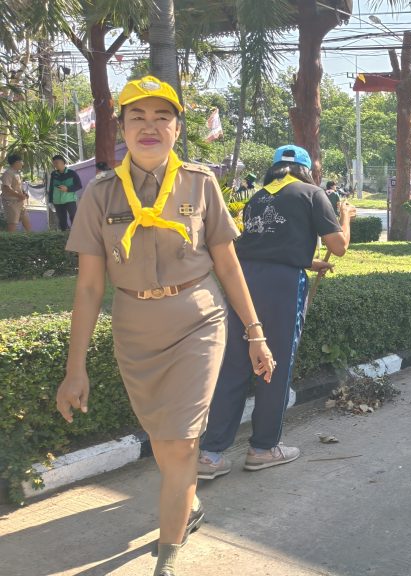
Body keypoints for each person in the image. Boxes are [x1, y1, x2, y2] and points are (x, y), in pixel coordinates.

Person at [56, 76, 275, 576]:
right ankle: (187, 504)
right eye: (138, 117)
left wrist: (255, 332)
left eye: (162, 117)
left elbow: (228, 265)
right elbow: (89, 288)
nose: (149, 126)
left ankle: (167, 557)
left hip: (198, 320)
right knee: (164, 439)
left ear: (177, 128)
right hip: (135, 330)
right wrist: (75, 368)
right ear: (123, 129)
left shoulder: (200, 182)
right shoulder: (100, 194)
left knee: (179, 442)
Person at [198, 145, 355, 480]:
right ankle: (263, 448)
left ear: (275, 168)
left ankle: (210, 455)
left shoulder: (258, 196)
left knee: (234, 364)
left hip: (243, 282)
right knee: (274, 365)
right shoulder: (312, 194)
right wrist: (345, 215)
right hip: (282, 287)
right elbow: (339, 246)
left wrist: (306, 260)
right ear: (306, 170)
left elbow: (265, 246)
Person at [48, 155, 83, 231]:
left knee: (74, 218)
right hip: (57, 201)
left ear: (63, 162)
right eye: (54, 163)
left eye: (56, 162)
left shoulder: (72, 173)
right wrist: (50, 201)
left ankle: (76, 234)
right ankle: (64, 235)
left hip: (70, 200)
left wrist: (67, 189)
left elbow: (79, 185)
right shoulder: (53, 174)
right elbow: (51, 188)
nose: (55, 165)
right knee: (62, 221)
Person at [2, 152, 31, 232]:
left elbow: (17, 186)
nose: (23, 163)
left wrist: (24, 193)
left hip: (20, 203)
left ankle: (30, 238)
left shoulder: (17, 173)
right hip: (11, 203)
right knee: (13, 224)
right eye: (22, 161)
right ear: (17, 162)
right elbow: (6, 188)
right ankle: (10, 240)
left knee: (27, 223)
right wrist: (19, 195)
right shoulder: (8, 173)